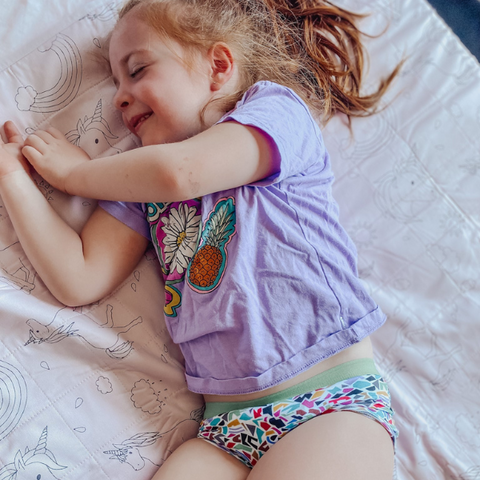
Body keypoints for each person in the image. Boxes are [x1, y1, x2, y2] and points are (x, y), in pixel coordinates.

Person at [0, 0, 401, 478]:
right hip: (225, 427)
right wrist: (12, 179)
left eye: (138, 70)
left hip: (328, 401)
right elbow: (79, 276)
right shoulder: (138, 186)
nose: (118, 98)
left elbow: (181, 174)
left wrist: (77, 174)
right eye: (116, 83)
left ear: (218, 67)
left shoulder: (274, 112)